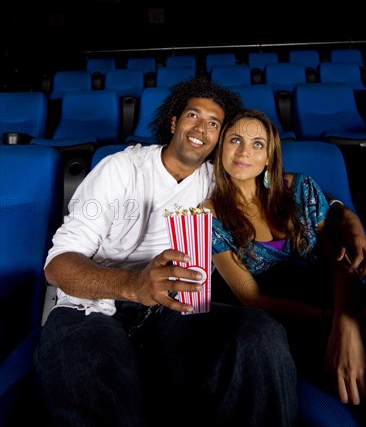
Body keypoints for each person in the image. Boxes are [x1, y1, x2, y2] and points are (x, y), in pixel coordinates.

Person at [35, 76, 365, 426]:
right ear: (174, 122)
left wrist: (347, 216)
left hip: (177, 311)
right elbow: (57, 266)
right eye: (193, 116)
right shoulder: (120, 169)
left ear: (218, 140)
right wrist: (133, 285)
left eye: (213, 123)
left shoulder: (219, 179)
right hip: (94, 310)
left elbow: (292, 190)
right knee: (96, 383)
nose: (201, 128)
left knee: (260, 334)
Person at [202, 108, 366, 421]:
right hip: (287, 323)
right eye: (234, 140)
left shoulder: (301, 189)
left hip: (340, 297)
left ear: (269, 157)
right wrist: (331, 322)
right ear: (220, 147)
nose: (244, 151)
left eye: (257, 144)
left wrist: (346, 322)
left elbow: (337, 263)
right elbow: (252, 298)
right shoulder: (209, 216)